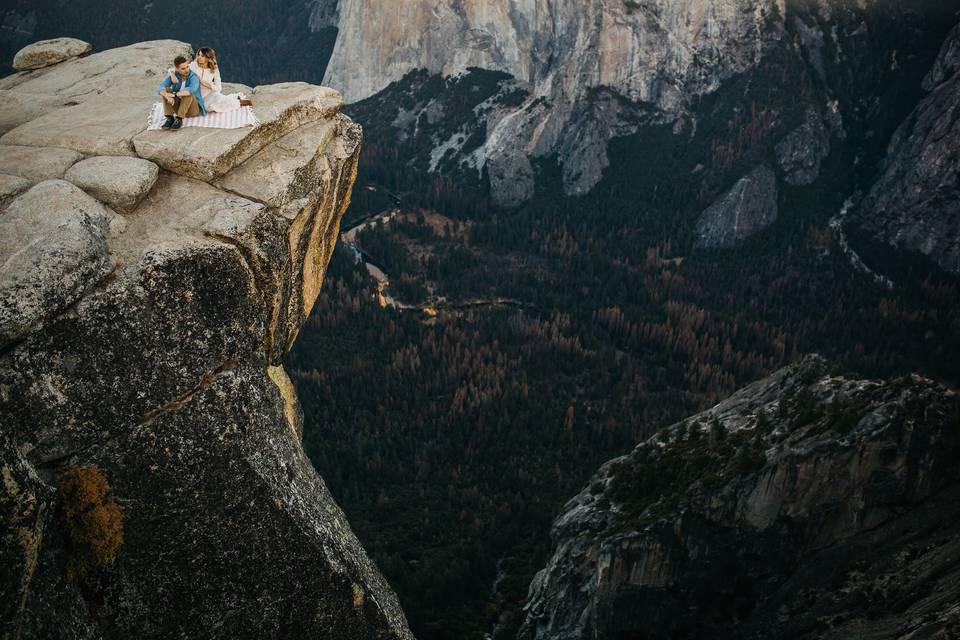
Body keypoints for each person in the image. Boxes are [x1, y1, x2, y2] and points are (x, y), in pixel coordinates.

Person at [171, 47, 251, 113]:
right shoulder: (193, 65)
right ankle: (233, 99)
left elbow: (219, 88)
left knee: (215, 102)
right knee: (203, 107)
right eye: (198, 55)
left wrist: (209, 85)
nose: (199, 57)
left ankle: (239, 102)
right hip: (193, 96)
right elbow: (177, 69)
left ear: (208, 58)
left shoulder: (214, 69)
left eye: (202, 56)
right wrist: (172, 73)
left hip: (208, 94)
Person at [156, 55, 206, 130]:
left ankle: (179, 119)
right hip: (179, 107)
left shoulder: (193, 77)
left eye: (187, 67)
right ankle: (170, 118)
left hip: (192, 109)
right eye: (183, 68)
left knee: (188, 92)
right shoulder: (174, 76)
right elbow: (160, 87)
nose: (186, 70)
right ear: (177, 69)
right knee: (166, 90)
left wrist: (174, 94)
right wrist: (166, 95)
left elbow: (192, 89)